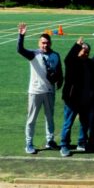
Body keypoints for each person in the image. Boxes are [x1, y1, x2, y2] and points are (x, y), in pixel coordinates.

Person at [17, 23, 63, 154]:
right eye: (43, 43)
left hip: (49, 91)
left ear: (50, 43)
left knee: (50, 118)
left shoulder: (55, 55)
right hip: (35, 91)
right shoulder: (33, 54)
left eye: (47, 43)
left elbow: (59, 70)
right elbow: (20, 50)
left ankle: (50, 140)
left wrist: (60, 80)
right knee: (31, 119)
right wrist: (21, 36)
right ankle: (29, 143)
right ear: (39, 43)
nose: (45, 45)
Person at [59, 37, 94, 157]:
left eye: (87, 52)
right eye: (83, 51)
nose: (85, 53)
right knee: (68, 124)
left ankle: (81, 142)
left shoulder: (89, 63)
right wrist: (77, 45)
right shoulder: (73, 62)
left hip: (85, 99)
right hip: (72, 99)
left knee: (85, 123)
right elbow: (67, 59)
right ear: (79, 51)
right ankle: (64, 145)